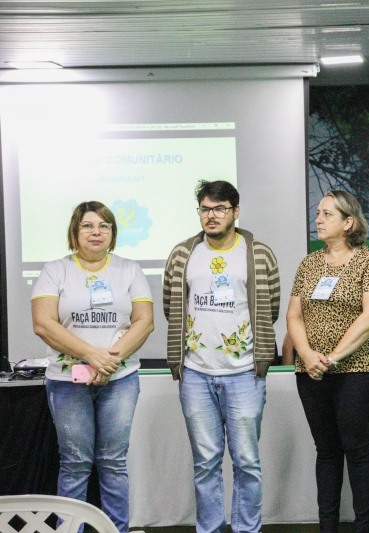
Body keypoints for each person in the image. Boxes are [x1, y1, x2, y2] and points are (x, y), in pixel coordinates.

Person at [163, 180, 280, 533]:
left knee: (247, 462)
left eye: (219, 208)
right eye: (205, 209)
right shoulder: (182, 254)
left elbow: (270, 309)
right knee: (205, 463)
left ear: (235, 211)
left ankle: (247, 529)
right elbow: (172, 307)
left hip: (245, 372)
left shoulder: (259, 253)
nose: (211, 216)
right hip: (196, 374)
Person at [31, 201, 154, 533]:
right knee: (75, 463)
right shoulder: (54, 270)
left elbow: (144, 322)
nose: (96, 232)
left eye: (104, 226)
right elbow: (43, 323)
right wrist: (91, 355)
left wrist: (108, 360)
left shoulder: (129, 270)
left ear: (112, 233)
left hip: (120, 379)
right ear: (75, 232)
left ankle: (116, 530)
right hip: (67, 381)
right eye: (87, 225)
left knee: (113, 463)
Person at [287, 190, 369, 532]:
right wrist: (307, 355)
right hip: (311, 371)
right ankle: (327, 527)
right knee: (327, 451)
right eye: (318, 213)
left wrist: (331, 357)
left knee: (357, 449)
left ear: (348, 222)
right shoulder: (309, 264)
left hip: (357, 369)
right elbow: (294, 316)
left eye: (326, 214)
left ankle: (363, 528)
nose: (318, 219)